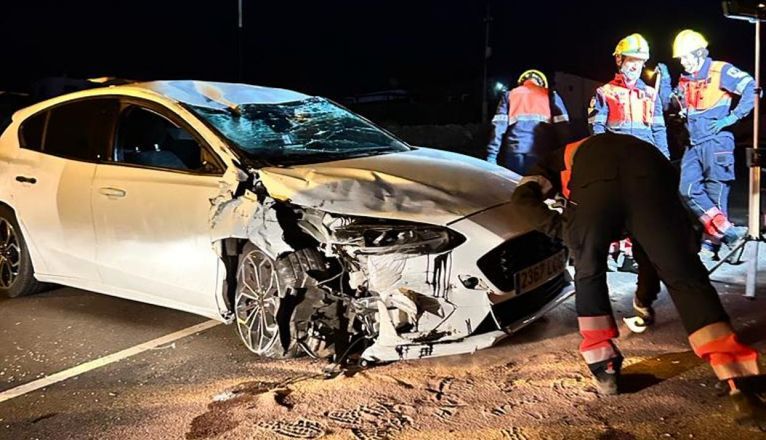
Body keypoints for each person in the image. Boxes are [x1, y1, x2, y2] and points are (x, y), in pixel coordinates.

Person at [510, 132, 764, 426]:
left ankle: (603, 365)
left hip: (598, 183)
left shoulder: (551, 163)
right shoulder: (630, 147)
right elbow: (650, 253)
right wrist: (644, 299)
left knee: (588, 269)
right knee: (684, 274)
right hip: (653, 173)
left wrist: (564, 231)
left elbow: (521, 199)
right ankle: (737, 379)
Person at [659, 29, 753, 258]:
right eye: (680, 59)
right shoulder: (685, 79)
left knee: (715, 193)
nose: (683, 62)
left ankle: (712, 244)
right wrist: (664, 83)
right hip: (693, 143)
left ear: (699, 53)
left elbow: (752, 88)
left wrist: (731, 118)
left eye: (685, 57)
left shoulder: (720, 70)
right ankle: (729, 234)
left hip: (716, 141)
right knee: (687, 189)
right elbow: (670, 106)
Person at [588, 33, 670, 157]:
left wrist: (664, 157)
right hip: (617, 155)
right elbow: (597, 128)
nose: (636, 66)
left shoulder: (650, 94)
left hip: (645, 155)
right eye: (632, 60)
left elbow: (659, 130)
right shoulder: (605, 92)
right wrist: (603, 156)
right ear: (619, 60)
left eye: (640, 61)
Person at [486, 69, 570, 175]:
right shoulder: (550, 95)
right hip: (540, 152)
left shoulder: (510, 95)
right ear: (541, 82)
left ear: (522, 82)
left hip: (514, 151)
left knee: (516, 186)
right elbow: (563, 129)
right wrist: (564, 156)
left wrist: (492, 155)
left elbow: (498, 127)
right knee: (537, 188)